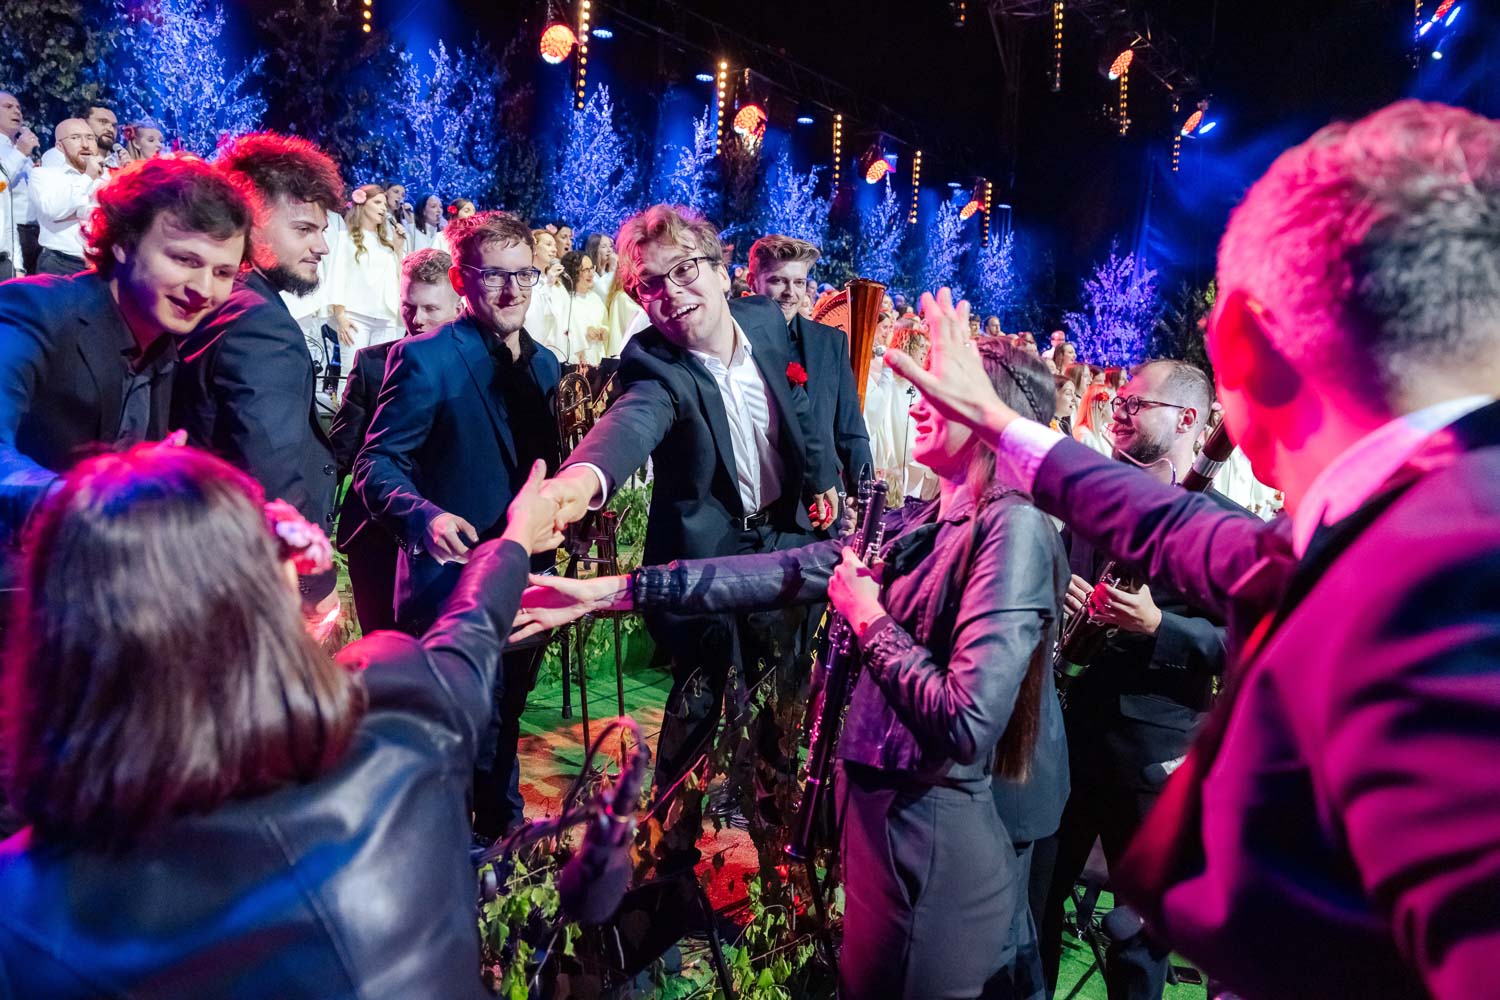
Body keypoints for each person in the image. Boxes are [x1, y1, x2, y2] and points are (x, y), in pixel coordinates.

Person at [886, 100, 1500, 1000]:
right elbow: (1196, 535)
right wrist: (1002, 424)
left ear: (1245, 341)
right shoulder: (1422, 507)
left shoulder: (1438, 589)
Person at [519, 338, 1067, 998]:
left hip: (956, 831)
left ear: (990, 409)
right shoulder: (922, 521)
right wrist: (608, 593)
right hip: (897, 832)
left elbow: (968, 719)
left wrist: (868, 618)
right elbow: (771, 572)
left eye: (937, 389)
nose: (916, 403)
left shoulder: (1014, 527)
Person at [0, 441, 562, 998]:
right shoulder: (403, 724)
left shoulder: (20, 905)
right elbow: (471, 629)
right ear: (264, 608)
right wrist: (514, 539)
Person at [537, 204, 840, 871]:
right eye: (649, 284)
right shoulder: (654, 363)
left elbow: (800, 409)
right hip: (704, 561)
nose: (670, 293)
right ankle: (665, 868)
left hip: (784, 545)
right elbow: (630, 426)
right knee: (696, 713)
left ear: (722, 269)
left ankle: (781, 870)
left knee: (781, 715)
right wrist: (574, 487)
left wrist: (820, 479)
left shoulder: (768, 323)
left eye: (683, 271)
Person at [1039, 360, 1245, 1000]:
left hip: (1152, 758)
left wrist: (1160, 626)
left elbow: (1244, 645)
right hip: (1066, 735)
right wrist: (1060, 597)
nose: (1119, 410)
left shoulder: (1229, 527)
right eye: (1120, 399)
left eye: (1136, 402)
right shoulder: (1095, 499)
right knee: (1036, 904)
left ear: (1188, 420)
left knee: (1138, 941)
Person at [353, 211, 560, 839]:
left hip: (528, 580)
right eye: (495, 275)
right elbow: (375, 465)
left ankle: (497, 858)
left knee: (504, 729)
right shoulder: (425, 358)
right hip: (452, 587)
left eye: (524, 274)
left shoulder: (547, 364)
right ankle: (458, 860)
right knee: (458, 743)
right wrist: (427, 517)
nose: (512, 290)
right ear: (464, 280)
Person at [0, 155, 254, 548]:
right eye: (184, 260)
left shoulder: (167, 342)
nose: (204, 289)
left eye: (223, 273)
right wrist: (86, 498)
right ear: (123, 242)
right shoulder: (34, 309)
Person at [173, 131, 346, 614]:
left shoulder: (222, 300)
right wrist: (312, 579)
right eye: (304, 229)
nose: (321, 247)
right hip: (248, 574)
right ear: (250, 223)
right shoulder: (259, 322)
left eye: (322, 230)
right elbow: (270, 465)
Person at [331, 248, 459, 634]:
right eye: (408, 306)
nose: (417, 320)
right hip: (376, 539)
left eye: (431, 308)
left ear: (458, 306)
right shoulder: (372, 364)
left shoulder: (478, 368)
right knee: (382, 651)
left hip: (448, 537)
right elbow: (340, 453)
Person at [748, 234, 872, 494]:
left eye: (799, 282)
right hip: (758, 497)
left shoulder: (831, 342)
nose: (790, 293)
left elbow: (850, 431)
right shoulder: (733, 340)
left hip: (824, 501)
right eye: (778, 281)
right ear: (752, 282)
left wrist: (865, 497)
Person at [325, 183, 405, 365]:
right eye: (377, 202)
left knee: (378, 376)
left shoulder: (388, 243)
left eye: (384, 204)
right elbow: (337, 275)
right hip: (355, 316)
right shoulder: (345, 238)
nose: (383, 208)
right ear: (362, 204)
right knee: (351, 372)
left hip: (386, 318)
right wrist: (340, 315)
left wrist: (399, 249)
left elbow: (400, 278)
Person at [28, 119, 105, 275]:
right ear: (60, 147)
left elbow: (117, 215)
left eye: (90, 138)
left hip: (102, 266)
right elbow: (52, 210)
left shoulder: (107, 176)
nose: (85, 144)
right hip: (60, 264)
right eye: (75, 138)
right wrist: (88, 177)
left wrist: (73, 211)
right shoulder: (45, 175)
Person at [0, 92, 40, 276]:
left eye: (18, 108)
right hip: (12, 233)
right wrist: (21, 153)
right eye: (8, 107)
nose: (17, 112)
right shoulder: (19, 150)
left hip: (33, 233)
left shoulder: (16, 147)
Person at [524, 227, 569, 362]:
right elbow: (533, 317)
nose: (554, 250)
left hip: (558, 350)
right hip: (536, 349)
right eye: (548, 245)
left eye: (555, 245)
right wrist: (548, 285)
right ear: (534, 248)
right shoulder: (526, 281)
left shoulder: (557, 283)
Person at [560, 250, 607, 366]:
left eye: (591, 268)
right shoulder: (566, 300)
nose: (591, 274)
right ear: (573, 273)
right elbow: (562, 333)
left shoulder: (595, 298)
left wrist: (603, 331)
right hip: (577, 361)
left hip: (597, 357)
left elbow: (604, 323)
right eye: (585, 270)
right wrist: (585, 332)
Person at [1072, 381, 1114, 456]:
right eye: (1114, 403)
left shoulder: (1103, 436)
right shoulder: (1084, 435)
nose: (1118, 408)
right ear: (1101, 404)